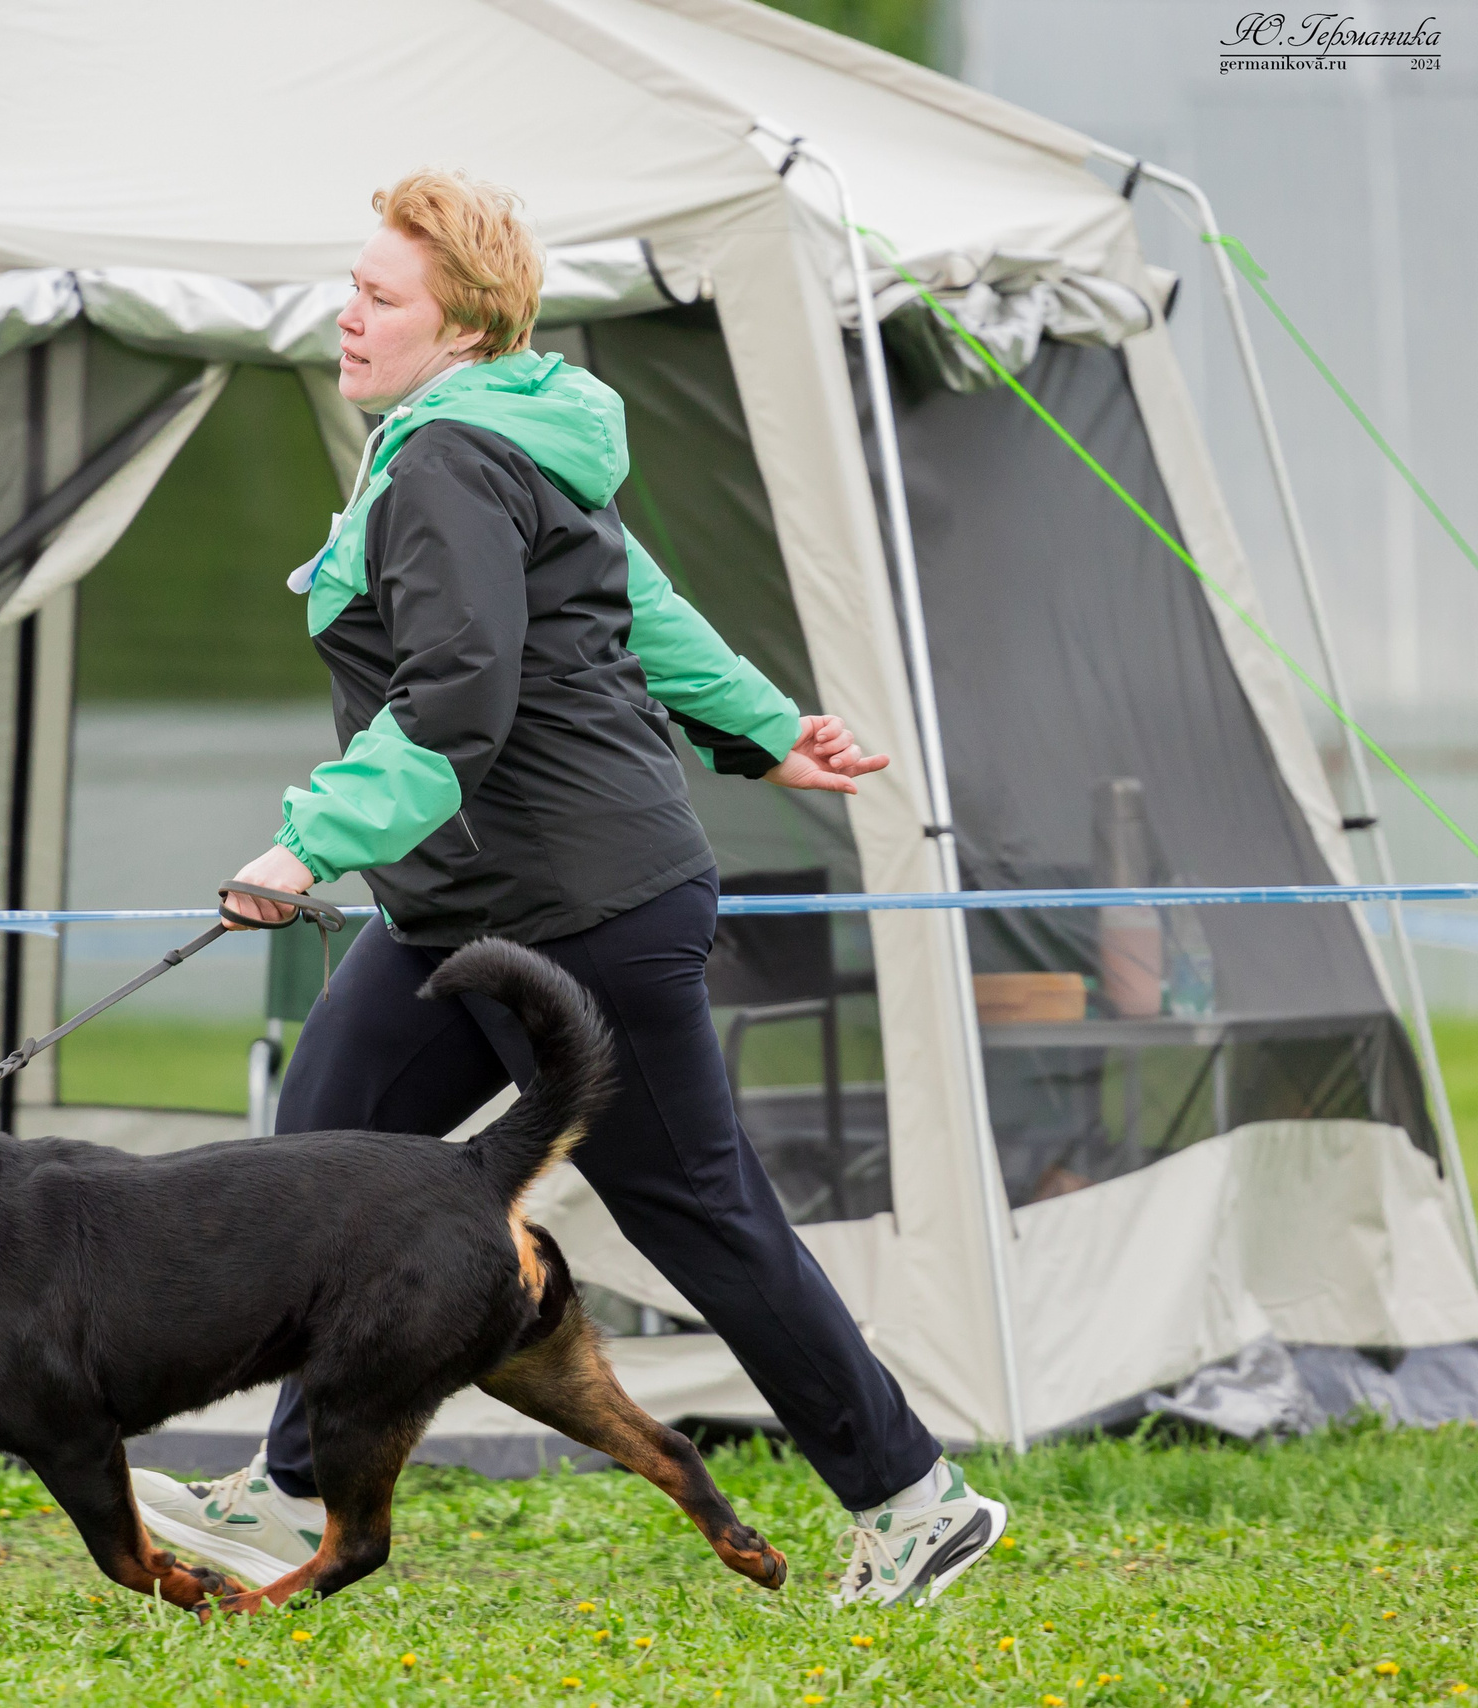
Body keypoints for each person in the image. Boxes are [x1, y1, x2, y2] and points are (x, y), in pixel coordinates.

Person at [130, 170, 1007, 1610]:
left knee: (697, 1213)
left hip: (579, 906)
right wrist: (769, 727)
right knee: (324, 1162)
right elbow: (639, 605)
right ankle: (293, 1495)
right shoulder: (486, 435)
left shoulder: (453, 460)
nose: (345, 315)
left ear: (463, 325)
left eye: (380, 298)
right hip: (456, 905)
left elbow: (459, 694)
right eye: (350, 287)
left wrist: (309, 843)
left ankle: (914, 1501)